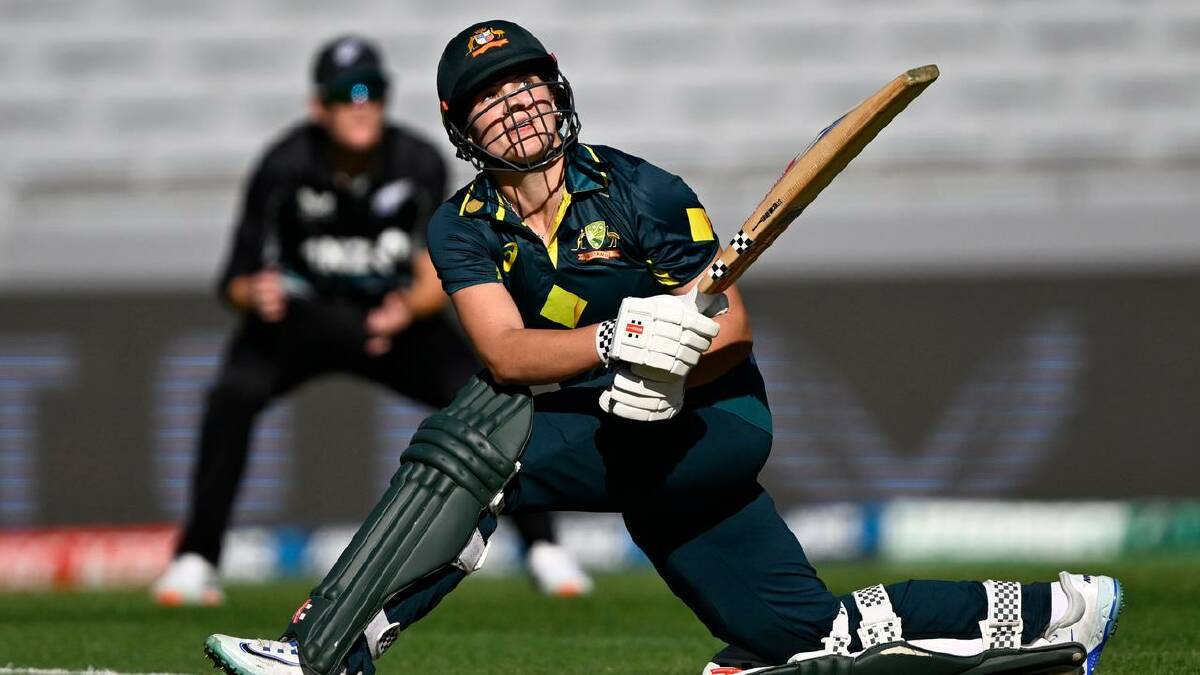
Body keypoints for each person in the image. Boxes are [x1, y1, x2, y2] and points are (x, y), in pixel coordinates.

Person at [202, 21, 1122, 675]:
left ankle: (325, 649)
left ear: (557, 93)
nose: (517, 107)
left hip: (712, 424)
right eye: (492, 99)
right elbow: (507, 353)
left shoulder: (644, 191)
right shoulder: (463, 225)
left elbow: (734, 328)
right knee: (806, 638)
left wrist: (674, 360)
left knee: (477, 440)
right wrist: (619, 338)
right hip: (615, 428)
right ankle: (1062, 614)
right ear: (461, 129)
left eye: (527, 84)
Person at [152, 34, 591, 608]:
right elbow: (233, 278)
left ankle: (542, 547)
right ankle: (196, 557)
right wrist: (254, 294)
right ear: (319, 106)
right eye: (345, 94)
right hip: (297, 326)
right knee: (230, 397)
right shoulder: (285, 164)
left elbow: (444, 268)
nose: (361, 104)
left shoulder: (416, 161)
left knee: (493, 397)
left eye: (373, 91)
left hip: (392, 324)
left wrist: (408, 308)